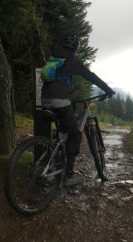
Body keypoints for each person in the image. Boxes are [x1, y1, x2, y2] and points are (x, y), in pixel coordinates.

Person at [41, 34, 115, 186]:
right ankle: (69, 176)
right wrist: (108, 90)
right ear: (75, 49)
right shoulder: (72, 62)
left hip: (45, 101)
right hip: (59, 102)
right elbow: (91, 76)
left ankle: (55, 163)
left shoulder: (54, 59)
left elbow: (58, 83)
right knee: (75, 133)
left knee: (62, 132)